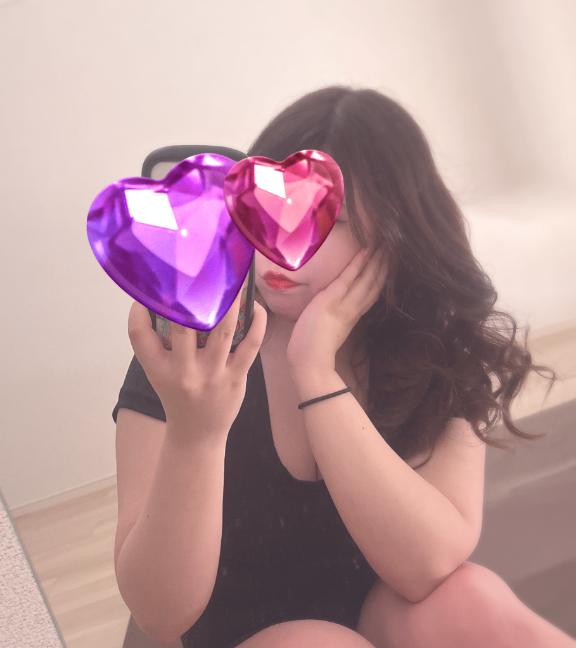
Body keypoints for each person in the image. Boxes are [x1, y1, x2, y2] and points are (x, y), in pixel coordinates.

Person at [113, 86, 574, 648]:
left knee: (469, 597)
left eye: (331, 221)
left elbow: (426, 567)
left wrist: (316, 371)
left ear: (396, 238)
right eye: (268, 211)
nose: (285, 246)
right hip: (239, 639)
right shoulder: (189, 356)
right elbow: (160, 615)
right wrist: (196, 435)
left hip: (382, 618)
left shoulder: (433, 348)